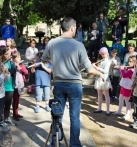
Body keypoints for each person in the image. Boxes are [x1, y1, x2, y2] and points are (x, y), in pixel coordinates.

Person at [41, 17, 105, 147]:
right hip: (75, 84)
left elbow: (44, 59)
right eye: (75, 28)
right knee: (74, 117)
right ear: (71, 28)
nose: (76, 30)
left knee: (57, 114)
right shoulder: (78, 45)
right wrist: (100, 73)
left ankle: (54, 142)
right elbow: (89, 69)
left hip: (59, 83)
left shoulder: (52, 43)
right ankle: (75, 144)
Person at [0, 46, 17, 126]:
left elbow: (14, 71)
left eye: (9, 53)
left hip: (10, 87)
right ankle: (0, 120)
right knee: (1, 105)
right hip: (2, 87)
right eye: (6, 54)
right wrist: (1, 68)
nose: (9, 55)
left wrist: (7, 70)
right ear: (1, 55)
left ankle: (7, 118)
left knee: (8, 104)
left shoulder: (11, 62)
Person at [113, 56, 136, 120]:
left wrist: (122, 69)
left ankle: (128, 114)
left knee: (127, 101)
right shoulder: (129, 68)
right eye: (129, 61)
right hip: (123, 85)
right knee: (120, 98)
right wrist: (123, 69)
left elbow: (124, 75)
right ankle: (119, 111)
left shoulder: (132, 70)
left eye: (131, 61)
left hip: (128, 86)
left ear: (134, 62)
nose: (129, 62)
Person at [93, 47, 111, 115]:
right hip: (99, 79)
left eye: (105, 53)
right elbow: (98, 71)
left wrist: (96, 67)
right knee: (99, 94)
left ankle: (108, 110)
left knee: (106, 95)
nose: (104, 55)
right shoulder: (100, 61)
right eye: (102, 54)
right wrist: (94, 67)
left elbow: (105, 71)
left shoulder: (108, 61)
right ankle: (99, 108)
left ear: (107, 53)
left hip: (105, 79)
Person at [11, 51, 28, 121]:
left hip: (20, 84)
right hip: (14, 84)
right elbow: (11, 72)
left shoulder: (21, 64)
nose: (19, 58)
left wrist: (21, 66)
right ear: (14, 58)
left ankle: (17, 113)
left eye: (19, 57)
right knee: (14, 100)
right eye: (17, 57)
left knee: (17, 100)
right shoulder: (12, 64)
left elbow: (26, 72)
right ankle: (14, 114)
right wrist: (15, 66)